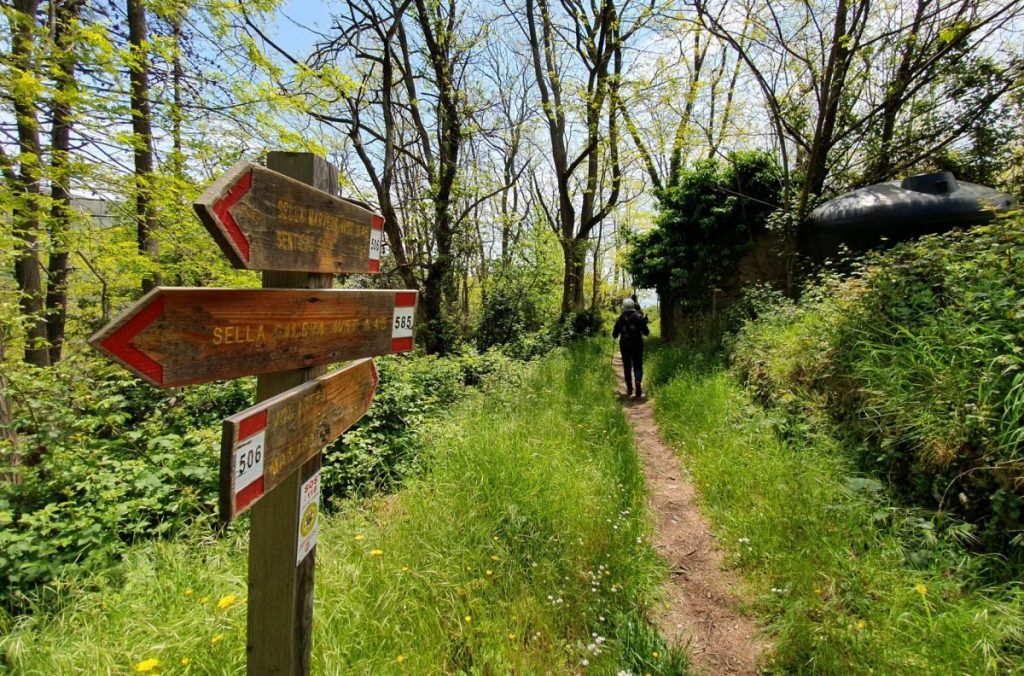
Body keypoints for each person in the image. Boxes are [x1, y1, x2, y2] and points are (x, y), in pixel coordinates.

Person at [612, 297, 650, 398]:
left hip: (624, 345)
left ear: (623, 307)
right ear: (633, 306)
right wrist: (644, 323)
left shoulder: (620, 319)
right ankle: (637, 381)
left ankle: (629, 388)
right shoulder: (639, 317)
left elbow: (614, 335)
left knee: (627, 366)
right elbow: (646, 333)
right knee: (638, 365)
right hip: (637, 344)